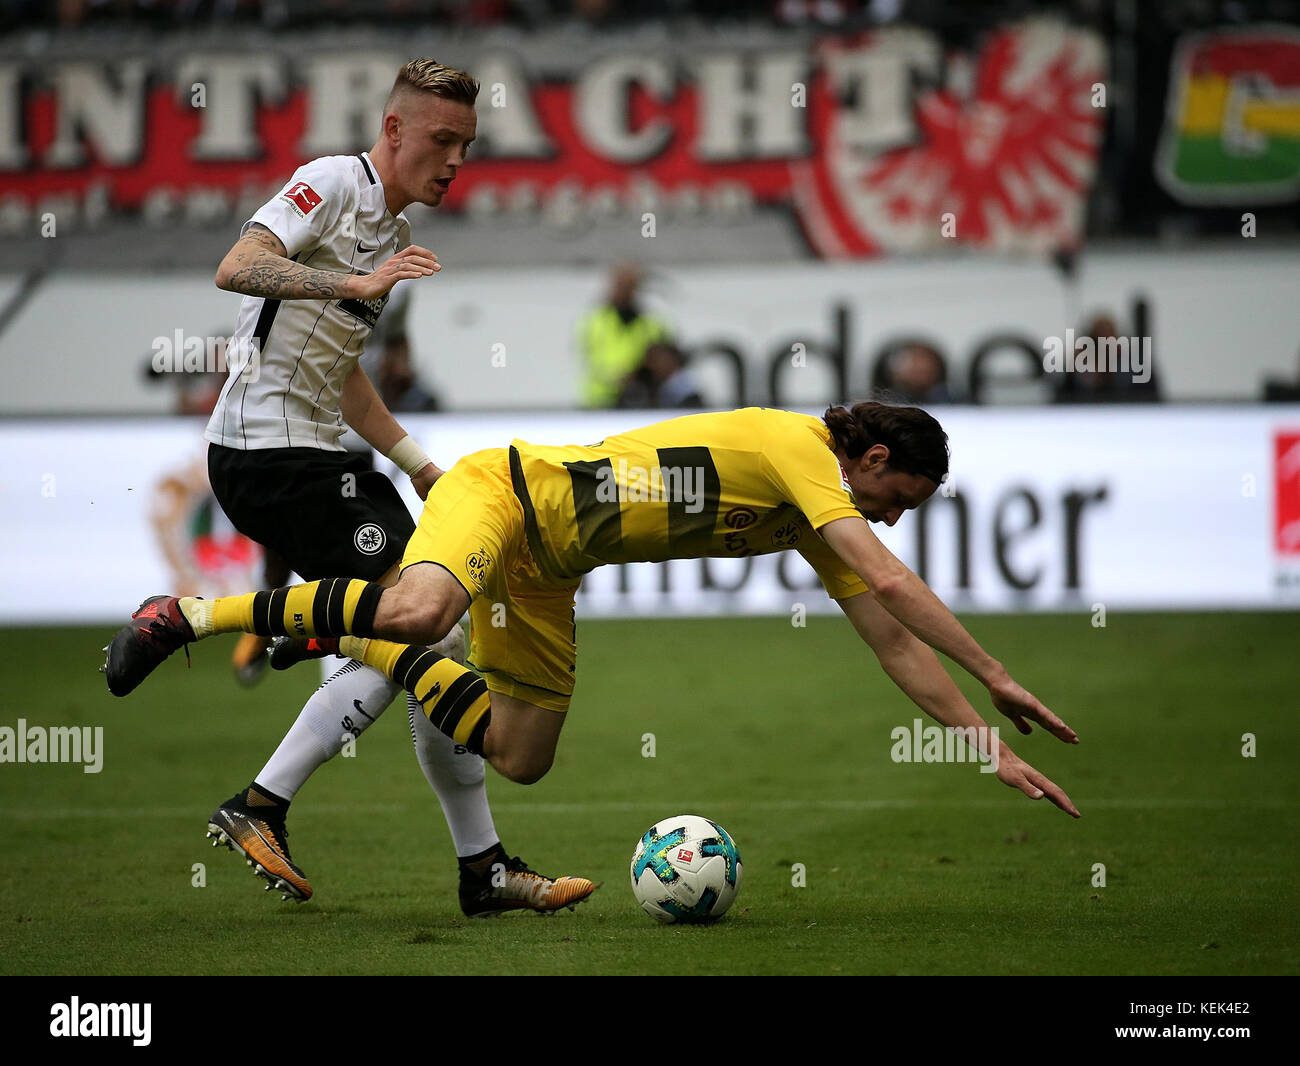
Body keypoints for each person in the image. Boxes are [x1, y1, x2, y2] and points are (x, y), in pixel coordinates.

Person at [112, 57, 593, 917]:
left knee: (423, 642)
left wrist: (420, 465)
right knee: (421, 621)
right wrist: (351, 282)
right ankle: (261, 799)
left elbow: (339, 374)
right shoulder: (332, 183)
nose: (454, 159)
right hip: (268, 458)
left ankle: (477, 868)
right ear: (395, 130)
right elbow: (237, 264)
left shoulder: (391, 230)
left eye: (467, 144)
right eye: (441, 140)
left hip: (323, 458)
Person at [106, 402, 1082, 820]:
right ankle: (193, 615)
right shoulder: (800, 448)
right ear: (870, 462)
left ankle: (352, 640)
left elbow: (889, 638)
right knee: (421, 603)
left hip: (547, 573)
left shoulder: (803, 522)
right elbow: (903, 589)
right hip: (509, 493)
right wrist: (996, 675)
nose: (889, 516)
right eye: (896, 498)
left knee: (521, 756)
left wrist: (974, 740)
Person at [576, 263, 671, 408]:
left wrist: (641, 376)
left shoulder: (651, 323)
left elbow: (664, 359)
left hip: (640, 399)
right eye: (620, 285)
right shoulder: (594, 321)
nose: (624, 291)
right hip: (599, 401)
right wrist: (619, 377)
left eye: (630, 286)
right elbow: (591, 359)